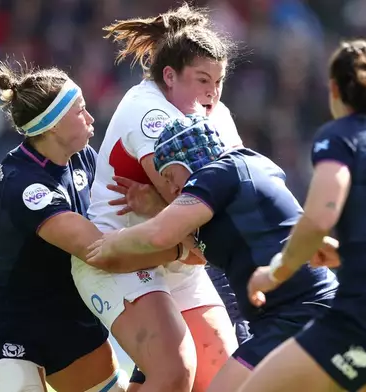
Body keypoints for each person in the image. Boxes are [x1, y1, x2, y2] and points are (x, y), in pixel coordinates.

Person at [0, 61, 188, 392]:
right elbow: (99, 251)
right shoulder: (25, 184)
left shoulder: (84, 157)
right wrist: (181, 248)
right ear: (53, 126)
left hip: (72, 322)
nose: (90, 118)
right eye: (80, 111)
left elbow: (127, 215)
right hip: (12, 327)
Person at [241, 39, 366, 392]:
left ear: (334, 88)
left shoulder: (342, 136)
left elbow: (319, 219)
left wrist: (275, 274)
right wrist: (353, 255)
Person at [85, 113, 340, 392]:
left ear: (189, 156)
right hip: (290, 314)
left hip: (298, 310)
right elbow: (198, 247)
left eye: (170, 175)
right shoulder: (229, 184)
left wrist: (110, 243)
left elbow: (161, 234)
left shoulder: (219, 171)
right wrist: (158, 208)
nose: (170, 188)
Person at [70, 4, 246, 392]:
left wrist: (167, 211)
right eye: (202, 79)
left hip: (181, 262)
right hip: (122, 259)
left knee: (226, 382)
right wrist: (170, 212)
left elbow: (235, 191)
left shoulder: (215, 112)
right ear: (169, 76)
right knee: (174, 373)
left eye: (218, 81)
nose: (212, 93)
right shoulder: (149, 110)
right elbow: (193, 205)